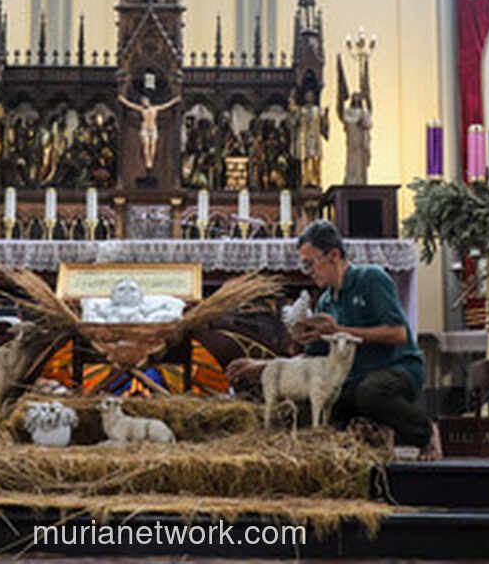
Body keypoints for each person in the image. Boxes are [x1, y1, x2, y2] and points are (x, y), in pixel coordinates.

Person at [226, 220, 442, 460]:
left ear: (334, 255)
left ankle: (425, 432)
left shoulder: (370, 278)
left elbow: (398, 334)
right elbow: (314, 357)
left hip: (396, 367)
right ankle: (374, 437)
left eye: (311, 263)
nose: (309, 272)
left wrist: (339, 329)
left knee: (370, 393)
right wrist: (265, 367)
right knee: (321, 409)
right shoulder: (326, 301)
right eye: (304, 265)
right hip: (353, 379)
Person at [118, 92, 182, 171]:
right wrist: (123, 100)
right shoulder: (141, 109)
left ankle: (151, 160)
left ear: (148, 101)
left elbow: (166, 105)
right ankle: (147, 161)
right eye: (143, 102)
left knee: (153, 145)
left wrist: (175, 100)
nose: (144, 103)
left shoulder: (155, 108)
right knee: (146, 145)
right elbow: (131, 105)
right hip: (145, 128)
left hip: (153, 128)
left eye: (145, 101)